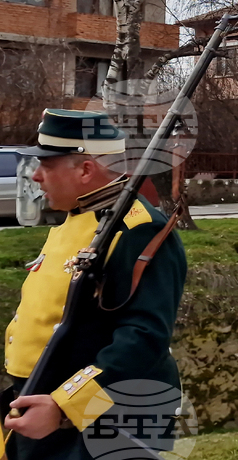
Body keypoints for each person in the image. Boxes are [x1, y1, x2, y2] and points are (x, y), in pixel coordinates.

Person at [2, 109, 187, 459]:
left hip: (98, 418)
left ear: (86, 170)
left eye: (47, 165)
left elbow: (143, 339)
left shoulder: (137, 229)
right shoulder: (78, 217)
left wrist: (64, 407)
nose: (36, 176)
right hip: (41, 400)